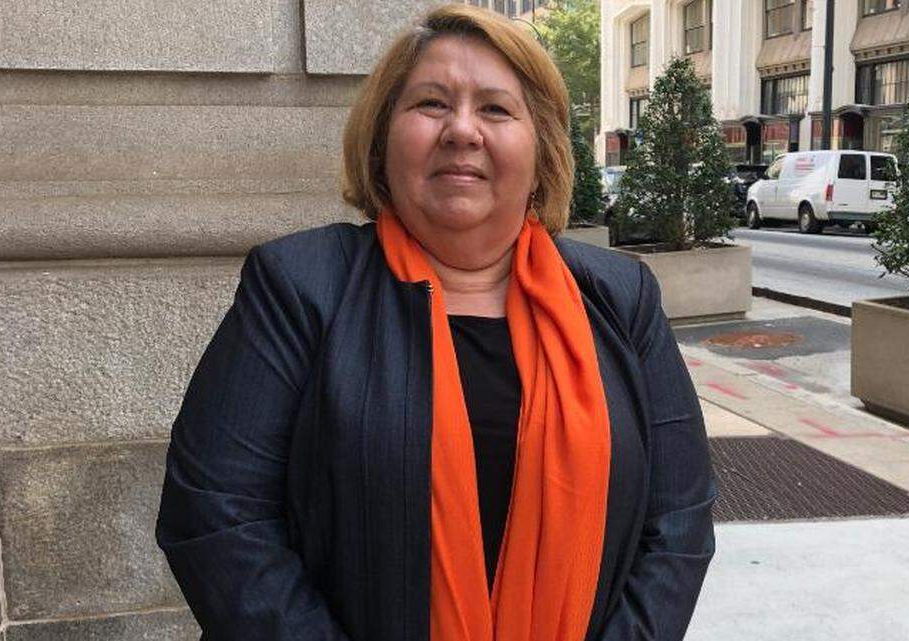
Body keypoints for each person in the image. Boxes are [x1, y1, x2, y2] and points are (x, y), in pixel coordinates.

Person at [154, 5, 715, 640]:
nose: (462, 131)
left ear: (543, 151)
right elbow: (217, 515)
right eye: (430, 104)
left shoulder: (621, 296)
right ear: (382, 138)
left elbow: (680, 521)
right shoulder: (299, 286)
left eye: (497, 109)